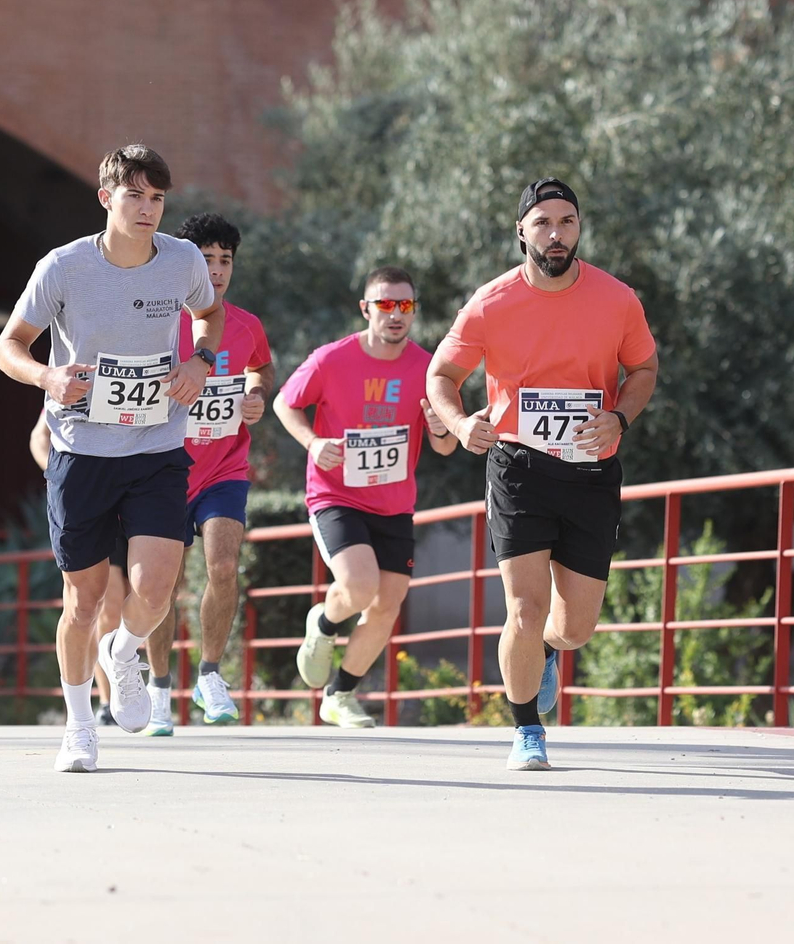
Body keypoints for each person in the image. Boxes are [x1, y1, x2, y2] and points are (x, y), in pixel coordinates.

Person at [0, 143, 223, 773]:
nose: (148, 209)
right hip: (81, 453)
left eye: (158, 198)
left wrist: (200, 362)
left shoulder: (180, 260)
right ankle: (78, 726)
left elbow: (210, 314)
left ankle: (123, 653)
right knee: (83, 600)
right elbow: (7, 345)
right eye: (135, 196)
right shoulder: (64, 267)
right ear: (107, 198)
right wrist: (46, 378)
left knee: (155, 589)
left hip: (156, 446)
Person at [427, 178, 657, 769]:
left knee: (573, 628)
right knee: (524, 609)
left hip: (590, 470)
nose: (557, 234)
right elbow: (441, 376)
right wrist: (456, 422)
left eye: (568, 222)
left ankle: (550, 653)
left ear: (578, 228)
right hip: (518, 467)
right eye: (543, 223)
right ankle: (527, 728)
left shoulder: (616, 299)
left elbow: (644, 369)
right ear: (521, 232)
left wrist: (619, 418)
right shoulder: (490, 303)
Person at [280, 266, 457, 727]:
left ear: (414, 311)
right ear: (366, 309)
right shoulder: (331, 359)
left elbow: (443, 445)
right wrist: (314, 444)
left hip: (395, 504)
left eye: (405, 305)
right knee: (360, 587)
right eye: (385, 304)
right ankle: (323, 624)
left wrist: (441, 428)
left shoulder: (428, 367)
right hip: (336, 495)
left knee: (386, 604)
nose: (395, 314)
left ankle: (339, 695)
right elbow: (286, 402)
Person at [139, 213, 275, 735]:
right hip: (164, 469)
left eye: (226, 261)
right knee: (162, 586)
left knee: (223, 567)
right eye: (207, 259)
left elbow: (261, 367)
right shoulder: (154, 321)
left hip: (224, 468)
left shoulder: (245, 324)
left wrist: (257, 393)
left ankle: (211, 674)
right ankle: (157, 688)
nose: (217, 271)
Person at [30, 415, 125, 726]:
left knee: (150, 598)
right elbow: (39, 437)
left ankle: (147, 687)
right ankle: (108, 701)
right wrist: (62, 476)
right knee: (103, 605)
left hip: (138, 496)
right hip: (92, 498)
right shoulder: (75, 376)